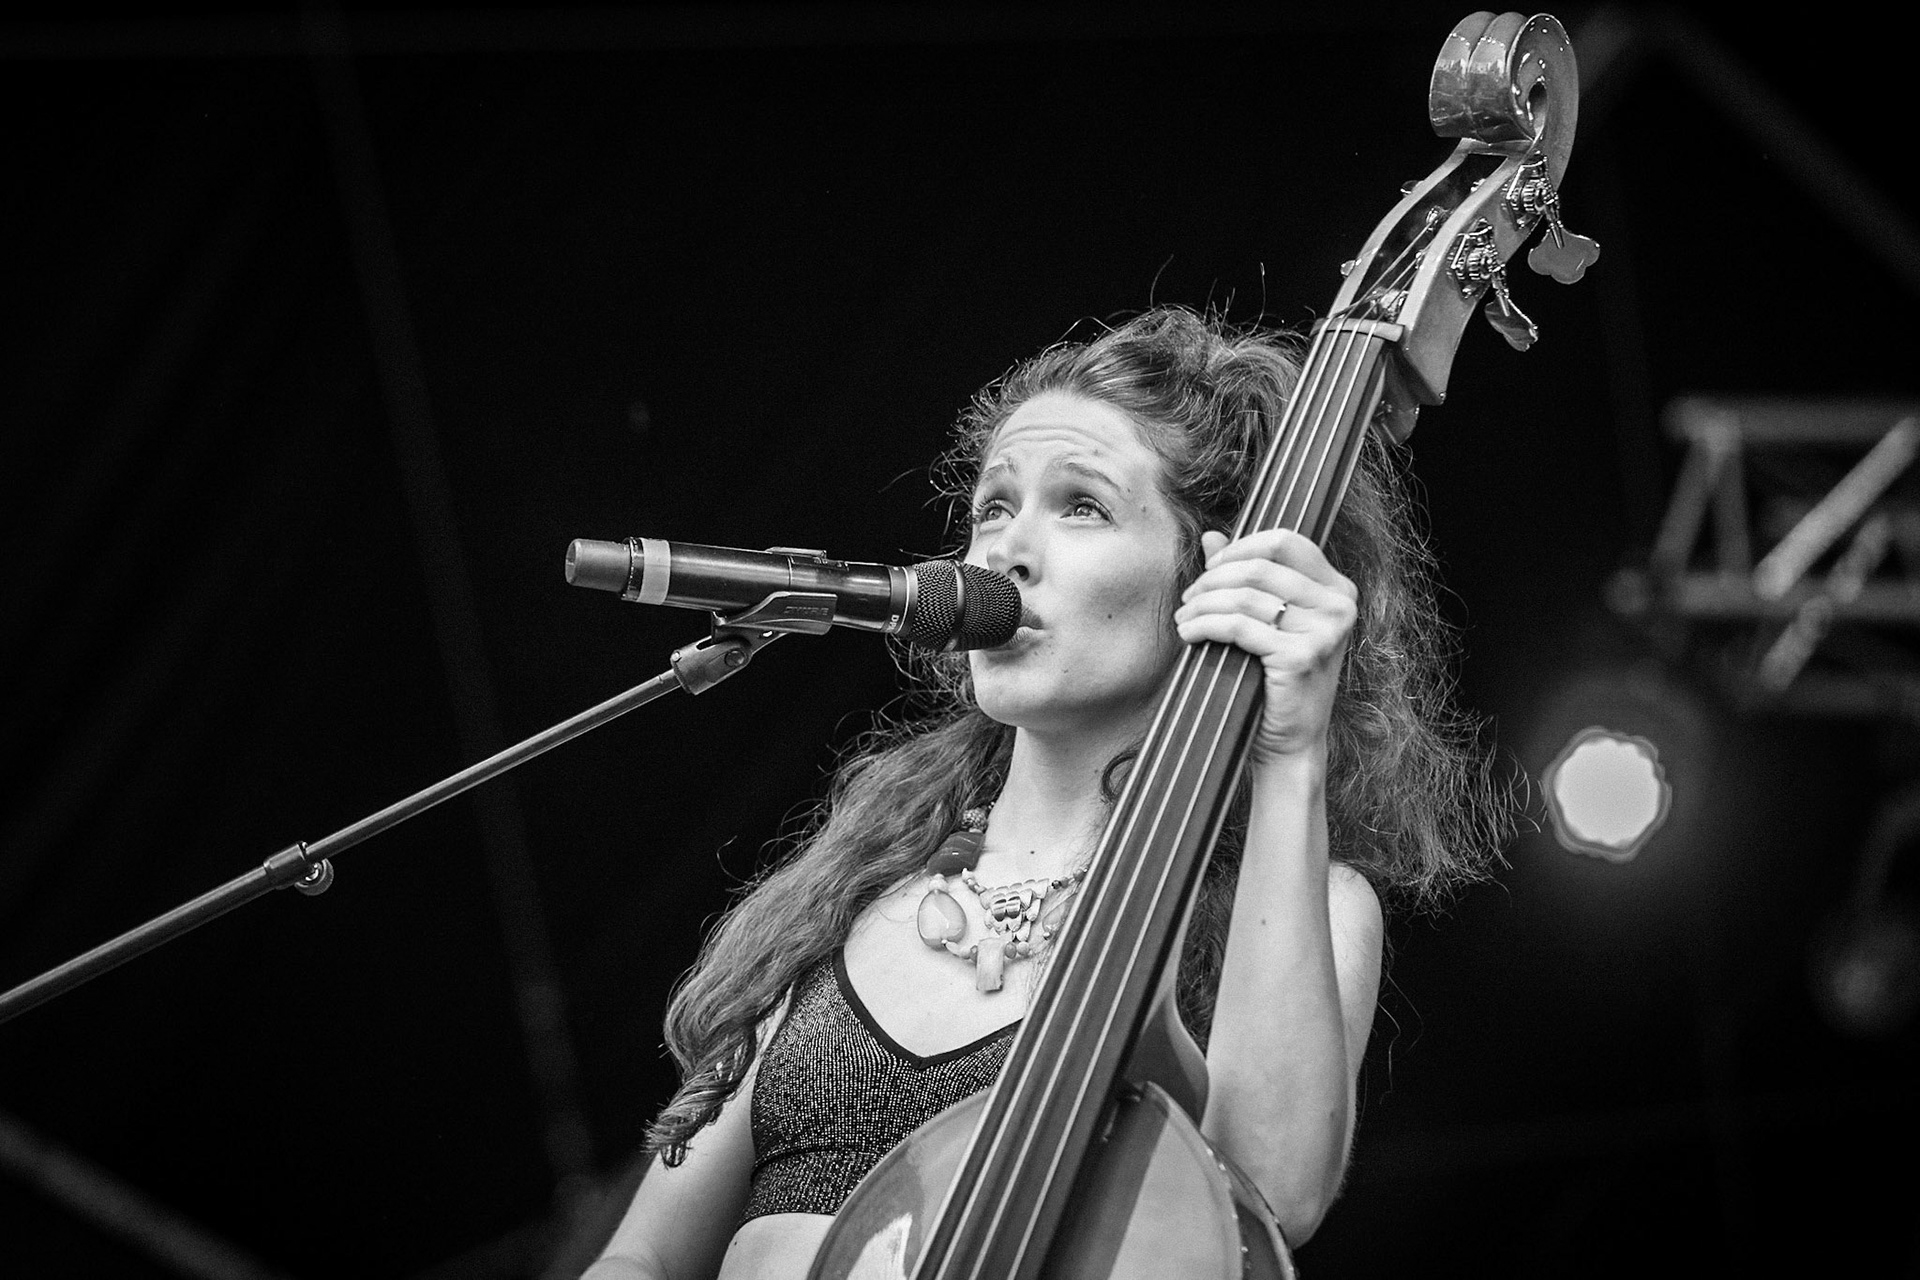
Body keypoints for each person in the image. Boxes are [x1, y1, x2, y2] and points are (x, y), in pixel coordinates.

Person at [584, 306, 1507, 1279]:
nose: (1006, 550)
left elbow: (1269, 1197)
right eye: (994, 507)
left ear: (1213, 568)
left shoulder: (1296, 907)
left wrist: (1289, 752)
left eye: (1081, 506)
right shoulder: (851, 884)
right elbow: (641, 1254)